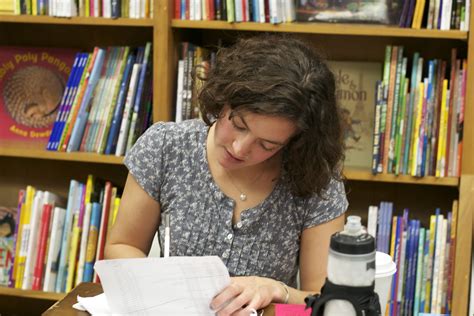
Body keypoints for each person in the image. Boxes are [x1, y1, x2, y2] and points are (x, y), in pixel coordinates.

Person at [105, 34, 348, 315]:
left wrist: (276, 290)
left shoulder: (316, 178)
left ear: (295, 143)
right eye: (238, 124)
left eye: (267, 145)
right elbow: (121, 246)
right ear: (223, 99)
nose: (239, 148)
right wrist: (169, 286)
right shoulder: (166, 146)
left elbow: (326, 300)